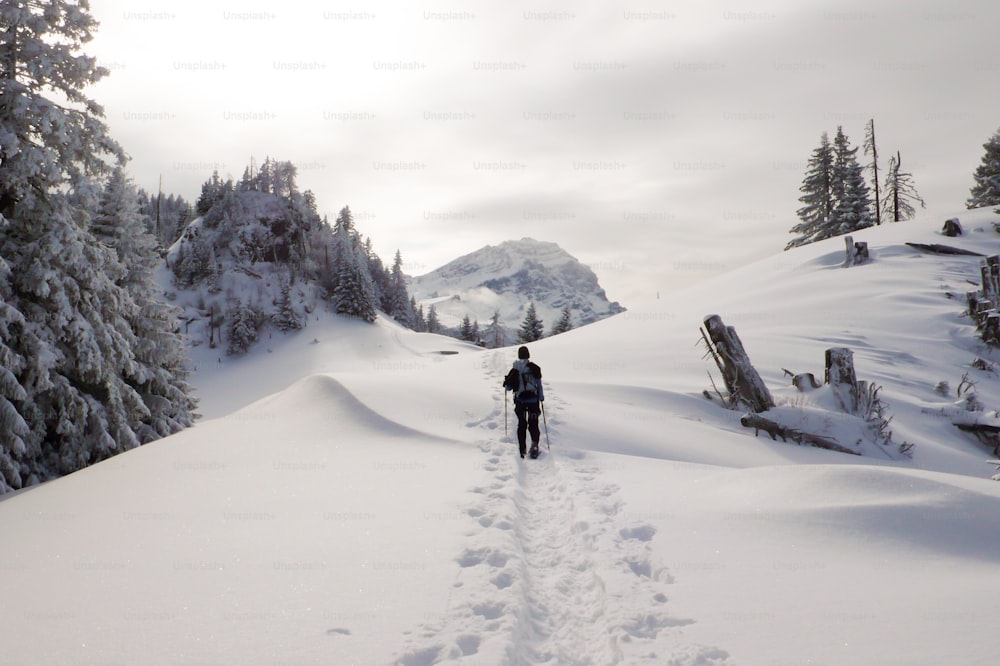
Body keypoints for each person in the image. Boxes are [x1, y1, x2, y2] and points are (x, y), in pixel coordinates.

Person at [503, 346, 544, 458]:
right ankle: (534, 445)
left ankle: (522, 449)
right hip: (533, 400)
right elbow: (539, 384)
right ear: (528, 355)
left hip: (520, 401)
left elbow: (508, 388)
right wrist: (541, 397)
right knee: (533, 423)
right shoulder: (533, 368)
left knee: (521, 424)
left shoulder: (515, 369)